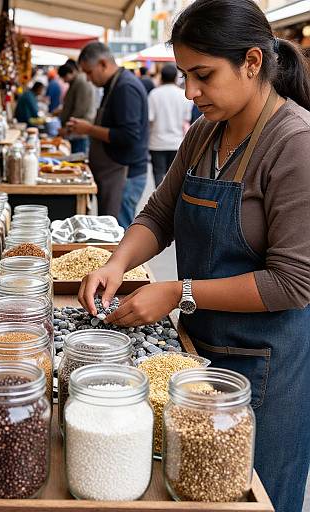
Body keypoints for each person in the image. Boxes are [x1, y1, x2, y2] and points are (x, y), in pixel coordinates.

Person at [78, 1, 310, 511]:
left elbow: (292, 283)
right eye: (184, 75)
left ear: (252, 62)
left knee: (251, 494)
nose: (190, 92)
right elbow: (159, 214)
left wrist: (177, 293)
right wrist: (116, 263)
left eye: (203, 75)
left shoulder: (295, 143)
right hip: (196, 357)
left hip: (263, 370)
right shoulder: (205, 132)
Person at [68, 42, 149, 226]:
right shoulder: (114, 85)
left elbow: (129, 136)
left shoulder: (125, 87)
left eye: (88, 72)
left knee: (117, 236)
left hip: (125, 174)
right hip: (114, 173)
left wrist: (88, 129)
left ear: (103, 64)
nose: (88, 79)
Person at [148, 63, 193, 186]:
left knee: (158, 173)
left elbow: (150, 119)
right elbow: (186, 120)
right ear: (175, 78)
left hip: (156, 142)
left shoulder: (154, 94)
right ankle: (170, 204)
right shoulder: (183, 95)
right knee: (173, 176)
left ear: (161, 77)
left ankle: (158, 201)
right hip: (176, 142)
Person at [57, 62, 96, 155]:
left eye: (64, 77)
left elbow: (80, 109)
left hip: (78, 130)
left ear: (71, 72)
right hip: (74, 129)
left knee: (77, 157)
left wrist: (68, 128)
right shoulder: (75, 82)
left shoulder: (81, 82)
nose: (64, 81)